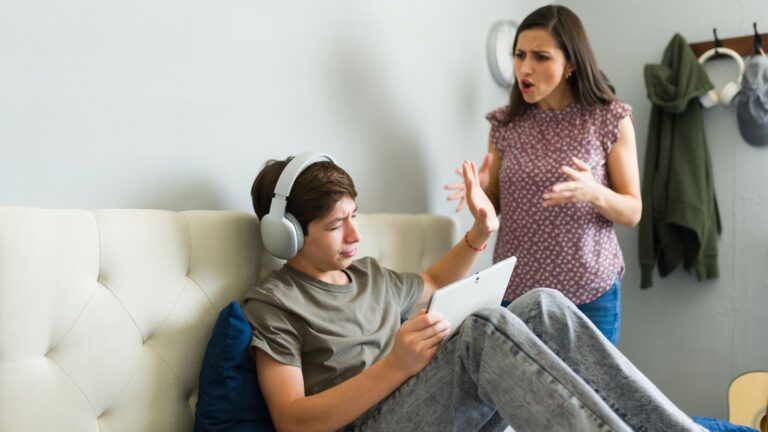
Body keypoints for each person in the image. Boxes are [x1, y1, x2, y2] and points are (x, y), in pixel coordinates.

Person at [242, 154, 705, 432]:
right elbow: (292, 421)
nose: (354, 236)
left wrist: (481, 232)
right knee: (484, 329)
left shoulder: (367, 276)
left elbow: (434, 283)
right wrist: (396, 366)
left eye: (355, 216)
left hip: (421, 409)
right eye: (336, 225)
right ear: (289, 236)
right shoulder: (276, 304)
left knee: (543, 303)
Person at [444, 5, 641, 345]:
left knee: (586, 400)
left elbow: (633, 211)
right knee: (517, 396)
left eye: (540, 57)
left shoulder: (610, 119)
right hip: (517, 291)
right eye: (519, 55)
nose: (525, 68)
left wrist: (595, 193)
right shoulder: (505, 125)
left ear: (571, 64)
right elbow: (495, 206)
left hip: (590, 293)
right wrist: (481, 197)